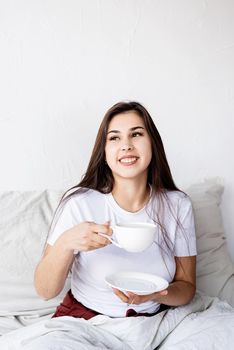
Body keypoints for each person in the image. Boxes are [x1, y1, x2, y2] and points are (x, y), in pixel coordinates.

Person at [34, 101, 196, 321]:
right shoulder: (79, 203)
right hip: (86, 321)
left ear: (153, 143)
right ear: (105, 150)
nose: (126, 145)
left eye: (136, 134)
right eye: (114, 138)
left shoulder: (178, 205)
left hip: (155, 320)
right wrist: (66, 242)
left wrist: (156, 295)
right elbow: (45, 291)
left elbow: (186, 288)